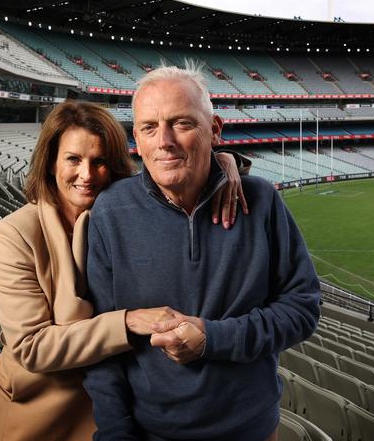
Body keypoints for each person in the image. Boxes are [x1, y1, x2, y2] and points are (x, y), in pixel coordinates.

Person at [84, 64, 321, 441]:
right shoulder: (111, 212)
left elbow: (303, 307)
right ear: (137, 140)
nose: (164, 141)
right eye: (149, 127)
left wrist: (213, 337)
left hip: (252, 431)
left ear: (215, 130)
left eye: (182, 123)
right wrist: (115, 434)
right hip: (151, 433)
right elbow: (101, 342)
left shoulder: (261, 202)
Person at [0, 101, 248, 440]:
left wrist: (224, 163)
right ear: (50, 162)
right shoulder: (14, 234)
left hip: (118, 405)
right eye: (73, 159)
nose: (87, 174)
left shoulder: (121, 214)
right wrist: (126, 321)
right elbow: (32, 347)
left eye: (99, 162)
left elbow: (175, 170)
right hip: (45, 406)